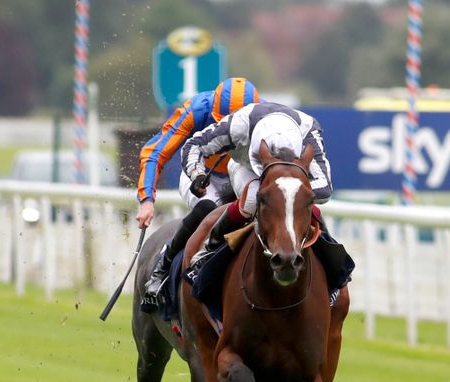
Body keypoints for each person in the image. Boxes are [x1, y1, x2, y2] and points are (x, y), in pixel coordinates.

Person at [135, 77, 259, 303]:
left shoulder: (265, 117)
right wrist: (146, 199)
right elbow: (155, 152)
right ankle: (162, 267)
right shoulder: (196, 110)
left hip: (241, 172)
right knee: (209, 209)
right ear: (213, 110)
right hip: (200, 173)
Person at [180, 100, 333, 266]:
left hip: (290, 177)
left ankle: (335, 269)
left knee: (301, 205)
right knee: (252, 200)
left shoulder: (308, 131)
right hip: (246, 167)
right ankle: (209, 248)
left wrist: (291, 194)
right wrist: (196, 174)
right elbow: (194, 145)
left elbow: (325, 187)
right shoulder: (239, 125)